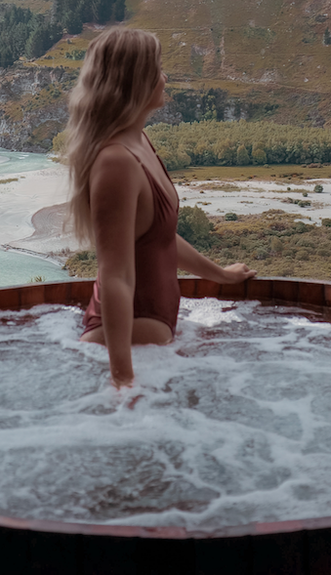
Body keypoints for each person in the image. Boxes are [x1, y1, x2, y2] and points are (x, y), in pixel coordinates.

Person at [64, 28, 256, 388]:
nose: (165, 78)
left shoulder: (138, 142)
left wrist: (220, 275)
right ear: (135, 81)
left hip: (150, 336)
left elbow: (161, 238)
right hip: (135, 338)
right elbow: (116, 276)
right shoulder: (116, 162)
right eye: (158, 69)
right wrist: (123, 381)